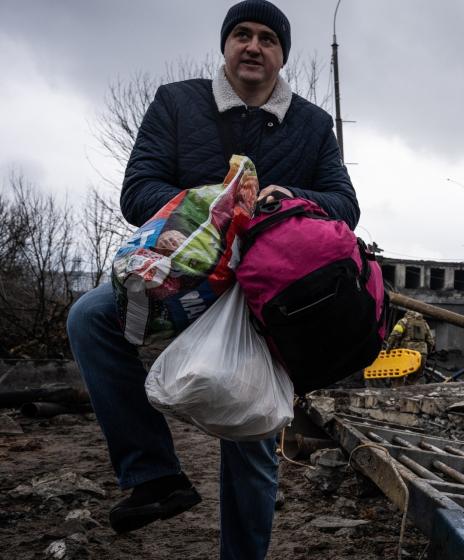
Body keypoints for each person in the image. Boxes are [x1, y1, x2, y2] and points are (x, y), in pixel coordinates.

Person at [66, 2, 359, 558]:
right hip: (178, 278)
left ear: (282, 55)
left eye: (268, 38)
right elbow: (138, 189)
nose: (253, 46)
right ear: (225, 46)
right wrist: (209, 207)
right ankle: (154, 475)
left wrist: (288, 200)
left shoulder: (313, 125)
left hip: (260, 296)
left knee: (248, 434)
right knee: (89, 317)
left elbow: (346, 205)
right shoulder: (178, 102)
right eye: (242, 34)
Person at [385, 311, 435, 385]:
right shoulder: (424, 324)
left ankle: (398, 394)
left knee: (398, 378)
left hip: (406, 354)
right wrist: (428, 353)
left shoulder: (403, 321)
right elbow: (431, 341)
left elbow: (394, 336)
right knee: (413, 380)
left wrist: (388, 349)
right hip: (421, 354)